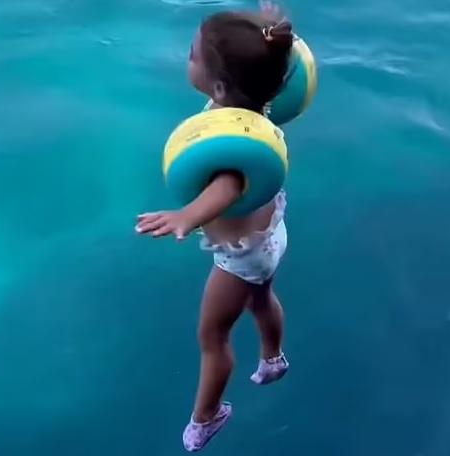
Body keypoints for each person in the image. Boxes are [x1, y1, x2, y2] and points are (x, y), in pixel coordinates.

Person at [135, 2, 294, 452]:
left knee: (212, 335)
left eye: (192, 54)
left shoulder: (230, 148)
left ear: (220, 86)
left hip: (239, 256)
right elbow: (267, 62)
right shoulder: (255, 107)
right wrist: (270, 27)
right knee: (261, 298)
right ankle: (273, 357)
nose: (186, 57)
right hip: (269, 237)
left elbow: (228, 186)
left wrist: (187, 216)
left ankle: (207, 416)